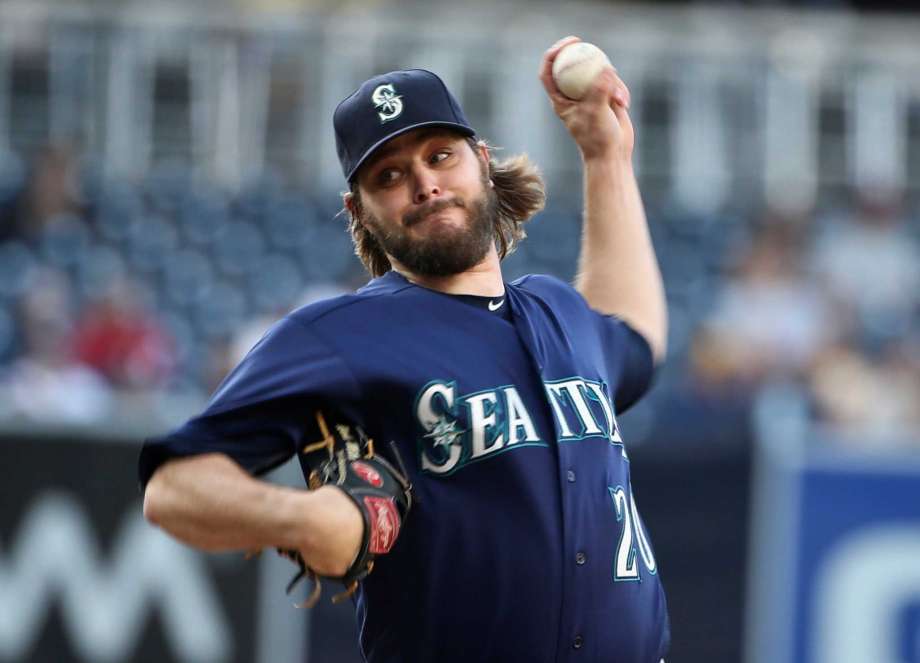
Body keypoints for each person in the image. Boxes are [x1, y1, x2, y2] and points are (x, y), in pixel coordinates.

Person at [140, 36, 670, 663]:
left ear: (481, 159)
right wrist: (302, 519)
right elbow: (174, 490)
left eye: (440, 155)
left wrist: (605, 156)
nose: (424, 183)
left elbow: (633, 333)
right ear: (358, 211)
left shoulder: (559, 311)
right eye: (388, 175)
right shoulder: (339, 335)